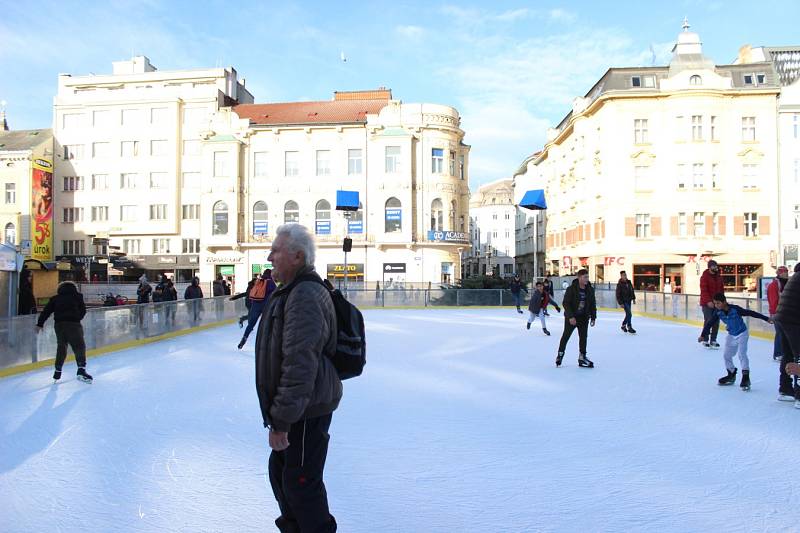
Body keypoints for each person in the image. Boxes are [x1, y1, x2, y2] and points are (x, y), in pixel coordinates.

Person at [255, 224, 341, 532]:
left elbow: (299, 363)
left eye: (276, 251)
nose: (270, 256)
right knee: (283, 476)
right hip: (299, 407)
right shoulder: (290, 291)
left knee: (300, 484)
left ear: (297, 256)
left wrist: (282, 421)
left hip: (306, 409)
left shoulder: (304, 294)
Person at [699, 292, 772, 391]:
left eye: (718, 303)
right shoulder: (718, 312)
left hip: (742, 334)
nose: (716, 305)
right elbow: (709, 323)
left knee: (742, 354)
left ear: (724, 302)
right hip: (731, 335)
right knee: (727, 355)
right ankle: (731, 374)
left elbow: (751, 313)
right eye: (715, 303)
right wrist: (703, 335)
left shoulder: (735, 309)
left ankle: (746, 377)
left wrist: (766, 318)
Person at [35, 281, 92, 383]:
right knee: (79, 346)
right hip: (73, 324)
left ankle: (58, 369)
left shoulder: (55, 298)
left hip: (59, 325)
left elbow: (46, 311)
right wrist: (77, 318)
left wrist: (40, 324)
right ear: (74, 288)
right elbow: (83, 310)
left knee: (62, 346)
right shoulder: (77, 296)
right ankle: (81, 370)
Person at [556, 269, 597, 368]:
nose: (587, 279)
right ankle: (560, 355)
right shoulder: (572, 289)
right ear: (579, 278)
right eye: (585, 277)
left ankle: (582, 357)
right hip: (572, 318)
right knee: (566, 336)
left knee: (583, 337)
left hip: (583, 318)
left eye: (587, 277)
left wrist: (593, 317)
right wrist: (570, 317)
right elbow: (566, 303)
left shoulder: (590, 289)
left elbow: (592, 303)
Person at [776, 263, 800, 404]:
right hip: (793, 320)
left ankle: (785, 389)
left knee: (788, 354)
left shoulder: (796, 275)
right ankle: (799, 395)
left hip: (783, 319)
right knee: (799, 355)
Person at [236, 269, 277, 349]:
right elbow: (276, 294)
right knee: (267, 325)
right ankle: (266, 344)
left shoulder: (258, 282)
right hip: (266, 306)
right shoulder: (271, 282)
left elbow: (252, 293)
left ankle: (245, 337)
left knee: (251, 325)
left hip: (255, 305)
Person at [699, 260, 724, 348]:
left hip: (717, 303)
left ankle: (713, 340)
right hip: (707, 303)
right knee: (709, 320)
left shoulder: (719, 277)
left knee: (716, 321)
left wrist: (723, 302)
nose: (715, 268)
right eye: (713, 266)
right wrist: (708, 301)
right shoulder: (704, 277)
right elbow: (704, 291)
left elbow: (721, 290)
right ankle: (705, 339)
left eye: (716, 266)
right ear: (709, 267)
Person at [768, 266, 789, 361]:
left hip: (788, 312)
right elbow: (773, 300)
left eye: (787, 272)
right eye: (784, 272)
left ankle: (785, 352)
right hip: (778, 313)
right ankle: (778, 353)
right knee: (780, 332)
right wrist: (774, 313)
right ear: (779, 273)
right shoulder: (774, 285)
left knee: (786, 333)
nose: (786, 274)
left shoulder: (788, 283)